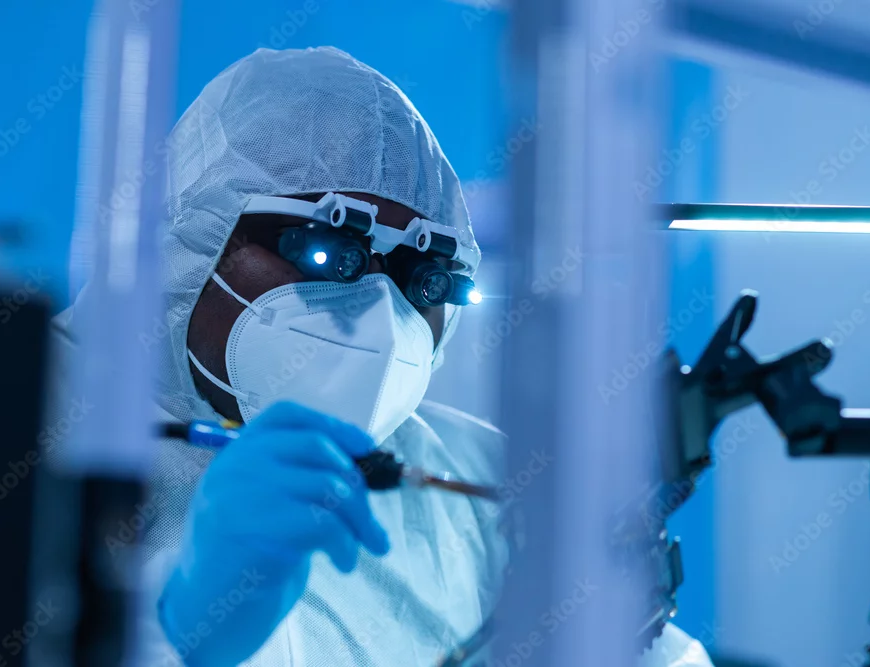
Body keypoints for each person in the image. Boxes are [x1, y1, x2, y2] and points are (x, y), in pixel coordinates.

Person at [54, 46, 714, 666]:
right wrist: (178, 631)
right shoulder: (27, 420)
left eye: (423, 279)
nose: (380, 313)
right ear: (195, 237)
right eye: (328, 251)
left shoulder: (468, 479)